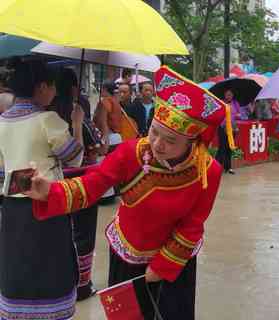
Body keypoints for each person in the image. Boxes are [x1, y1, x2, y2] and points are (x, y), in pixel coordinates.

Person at [25, 66, 233, 320]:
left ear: (193, 142)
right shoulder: (130, 153)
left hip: (175, 259)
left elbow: (193, 224)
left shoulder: (207, 171)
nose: (157, 144)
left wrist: (163, 266)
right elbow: (94, 184)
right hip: (128, 251)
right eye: (155, 132)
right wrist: (50, 191)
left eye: (170, 140)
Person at [0, 59, 84, 319]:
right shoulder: (48, 119)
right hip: (46, 202)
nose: (55, 92)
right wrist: (77, 123)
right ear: (41, 87)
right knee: (49, 263)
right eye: (52, 87)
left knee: (18, 261)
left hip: (12, 207)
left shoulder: (2, 121)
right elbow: (74, 157)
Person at [52, 68, 104, 300]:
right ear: (73, 88)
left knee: (62, 233)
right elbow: (99, 148)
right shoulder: (79, 115)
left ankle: (61, 281)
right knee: (84, 235)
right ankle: (82, 286)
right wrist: (87, 121)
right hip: (82, 184)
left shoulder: (47, 116)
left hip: (56, 185)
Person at [216, 89, 240, 174]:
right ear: (224, 95)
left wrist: (238, 115)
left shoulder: (235, 103)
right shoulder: (221, 103)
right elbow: (218, 115)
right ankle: (217, 167)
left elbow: (239, 114)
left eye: (231, 94)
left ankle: (228, 167)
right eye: (227, 94)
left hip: (232, 128)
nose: (229, 96)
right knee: (222, 147)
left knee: (230, 147)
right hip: (222, 128)